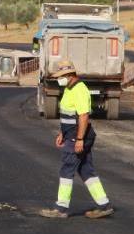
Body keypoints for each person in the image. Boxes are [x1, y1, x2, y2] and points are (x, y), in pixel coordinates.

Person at [40, 62, 114, 219]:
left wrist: (79, 139)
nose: (59, 80)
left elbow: (83, 116)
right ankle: (104, 205)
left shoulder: (80, 90)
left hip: (78, 136)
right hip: (72, 135)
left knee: (67, 169)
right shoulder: (68, 88)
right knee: (86, 170)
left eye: (61, 77)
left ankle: (60, 209)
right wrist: (62, 133)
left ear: (69, 75)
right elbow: (68, 115)